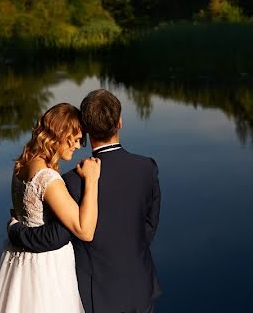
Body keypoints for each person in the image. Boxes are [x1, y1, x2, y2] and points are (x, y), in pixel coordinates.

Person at [8, 89, 161, 313]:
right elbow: (150, 223)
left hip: (95, 293)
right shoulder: (147, 168)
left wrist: (16, 231)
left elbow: (55, 236)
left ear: (86, 130)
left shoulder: (72, 181)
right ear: (120, 122)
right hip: (140, 287)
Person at [0, 103, 101, 313]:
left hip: (19, 261)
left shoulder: (22, 165)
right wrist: (92, 180)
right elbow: (85, 230)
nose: (78, 144)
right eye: (75, 138)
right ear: (59, 134)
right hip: (45, 268)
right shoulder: (47, 178)